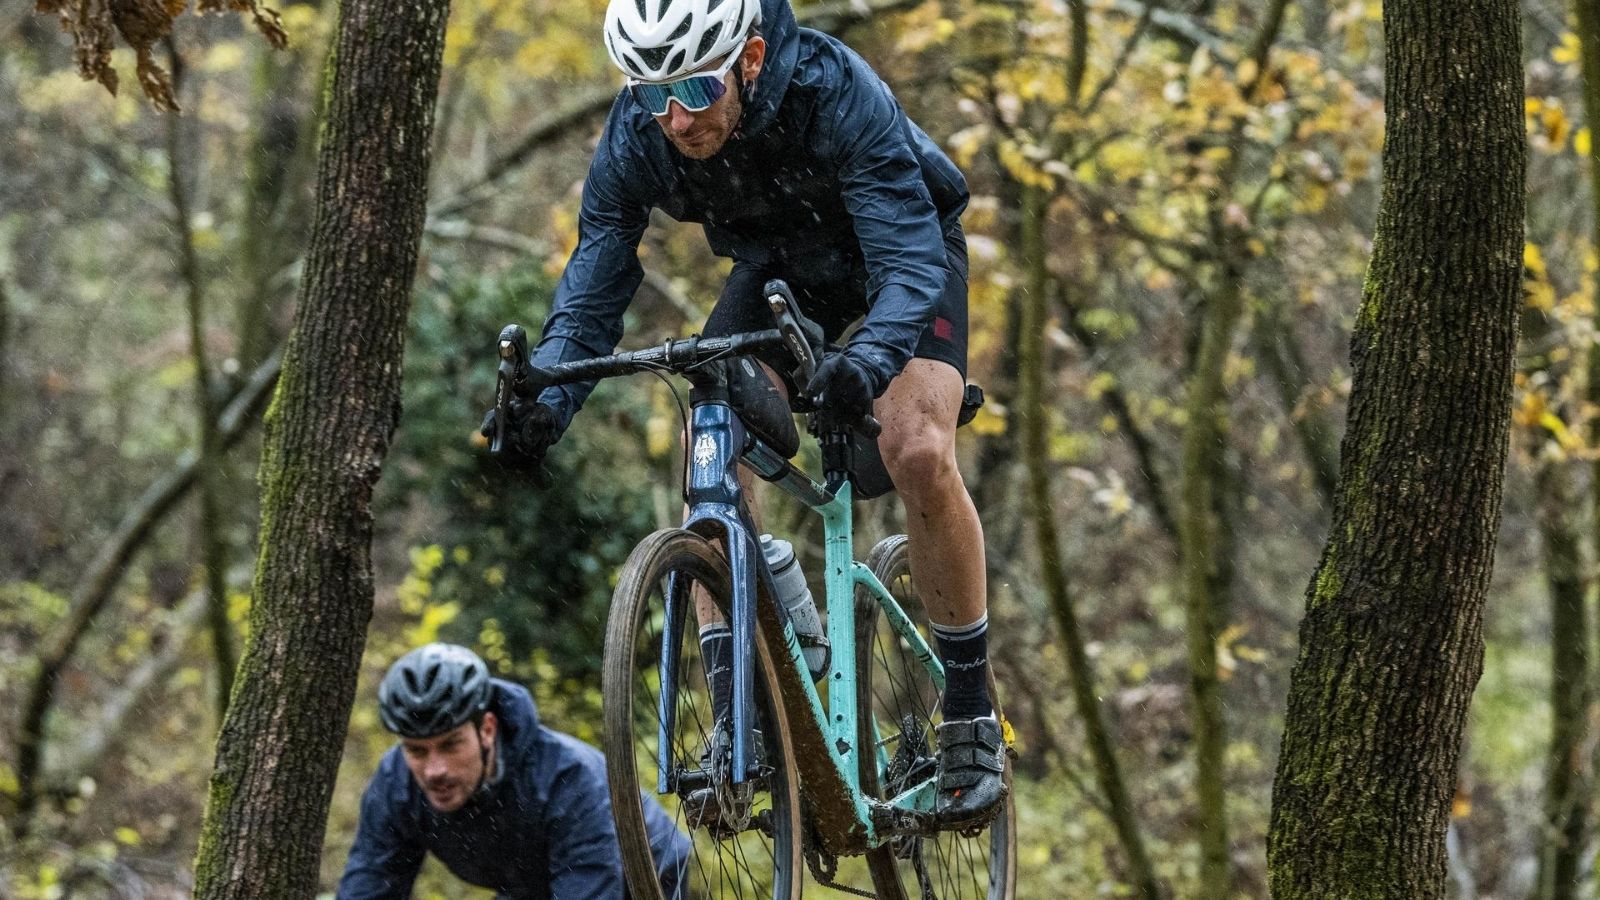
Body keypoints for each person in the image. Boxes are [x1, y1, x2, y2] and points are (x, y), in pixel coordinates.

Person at [484, 0, 1005, 826]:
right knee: (709, 425)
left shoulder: (834, 90)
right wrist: (550, 396)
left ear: (751, 57)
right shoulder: (642, 124)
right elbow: (599, 266)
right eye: (654, 95)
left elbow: (905, 257)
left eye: (694, 86)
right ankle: (739, 711)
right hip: (779, 272)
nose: (677, 117)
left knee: (911, 446)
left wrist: (865, 363)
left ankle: (971, 712)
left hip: (901, 259)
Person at [337, 643, 689, 898]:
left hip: (646, 871)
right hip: (528, 883)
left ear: (487, 729)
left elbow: (589, 888)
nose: (434, 770)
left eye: (450, 745)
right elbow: (369, 886)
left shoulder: (567, 780)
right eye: (416, 750)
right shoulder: (396, 784)